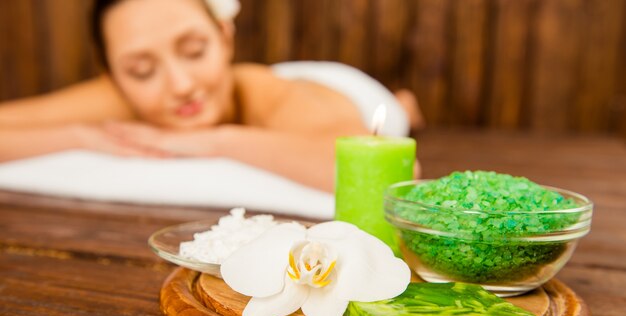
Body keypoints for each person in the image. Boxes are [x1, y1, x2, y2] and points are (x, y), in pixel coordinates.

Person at [0, 0, 423, 192]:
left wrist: (214, 140)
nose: (180, 84)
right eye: (141, 70)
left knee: (396, 112)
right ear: (112, 75)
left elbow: (387, 170)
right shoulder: (123, 96)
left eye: (194, 50)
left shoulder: (274, 95)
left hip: (338, 85)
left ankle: (402, 101)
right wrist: (83, 135)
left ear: (225, 37)